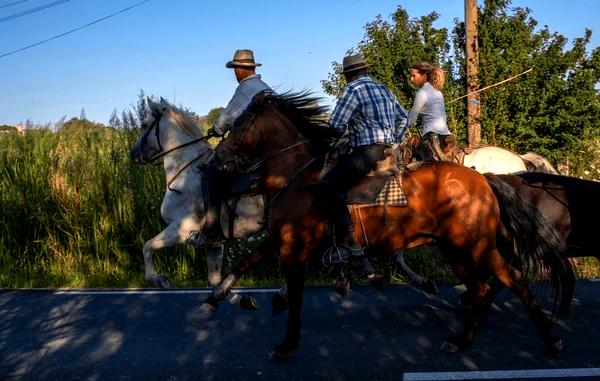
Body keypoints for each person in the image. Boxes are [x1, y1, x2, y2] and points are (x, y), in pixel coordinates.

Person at [320, 53, 408, 262]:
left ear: (348, 75)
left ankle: (349, 241)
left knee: (328, 184)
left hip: (367, 152)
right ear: (365, 70)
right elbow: (403, 118)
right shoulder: (384, 88)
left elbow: (336, 125)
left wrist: (324, 142)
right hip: (388, 150)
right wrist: (394, 140)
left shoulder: (353, 89)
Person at [200, 49, 273, 248]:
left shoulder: (244, 89)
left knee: (209, 172)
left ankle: (212, 230)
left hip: (252, 146)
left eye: (235, 69)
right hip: (271, 146)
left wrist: (215, 129)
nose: (235, 73)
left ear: (242, 69)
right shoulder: (265, 88)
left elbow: (227, 118)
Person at [408, 61, 455, 161]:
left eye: (414, 76)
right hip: (446, 135)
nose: (411, 79)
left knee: (412, 165)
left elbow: (411, 121)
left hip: (431, 137)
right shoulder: (438, 92)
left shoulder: (422, 93)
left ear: (424, 76)